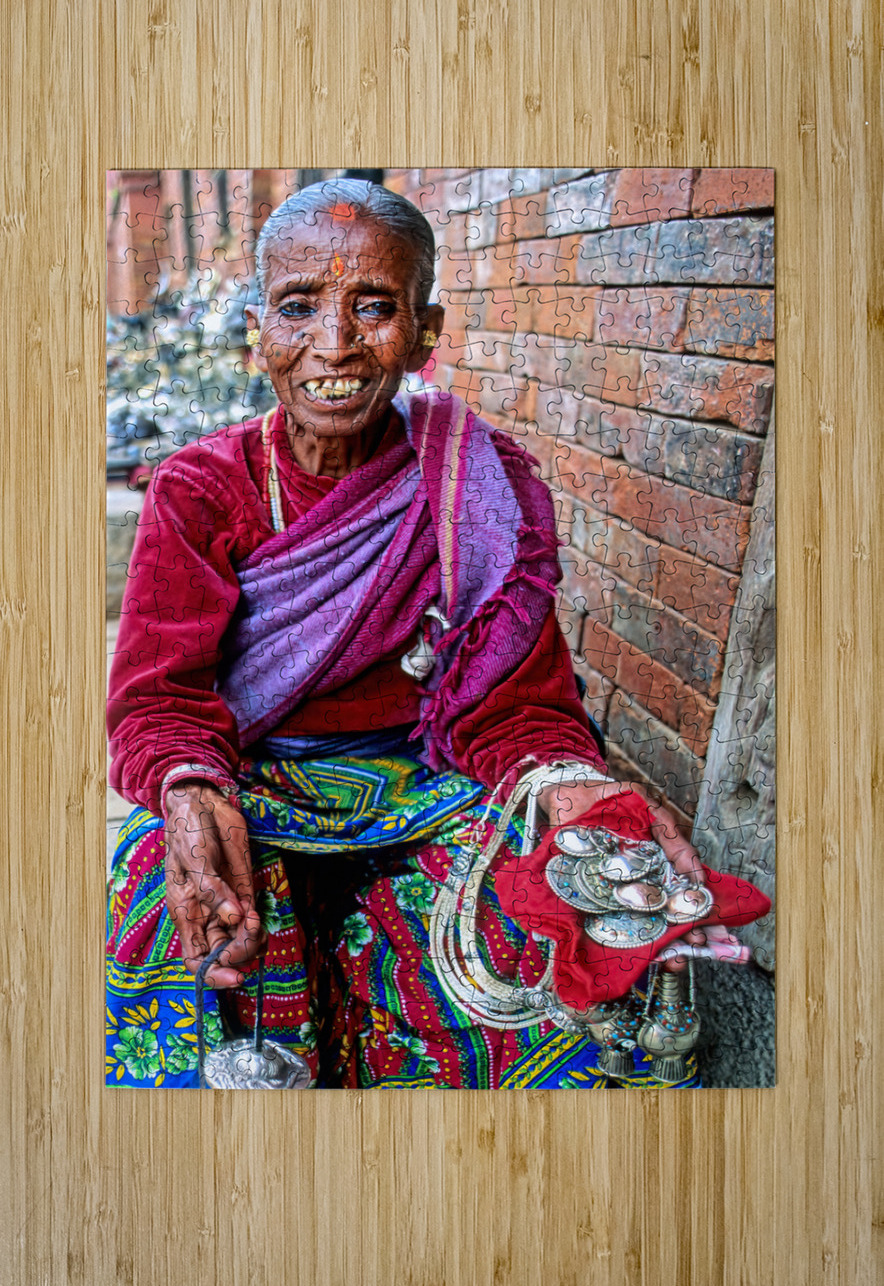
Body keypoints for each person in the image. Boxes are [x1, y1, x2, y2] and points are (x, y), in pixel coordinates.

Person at [106, 179, 742, 1089]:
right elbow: (158, 696)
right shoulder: (201, 489)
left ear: (426, 330)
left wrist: (572, 789)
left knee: (540, 915)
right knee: (159, 901)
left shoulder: (478, 485)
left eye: (374, 307)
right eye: (299, 307)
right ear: (259, 333)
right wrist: (186, 787)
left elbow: (517, 703)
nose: (334, 344)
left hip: (427, 779)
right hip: (251, 777)